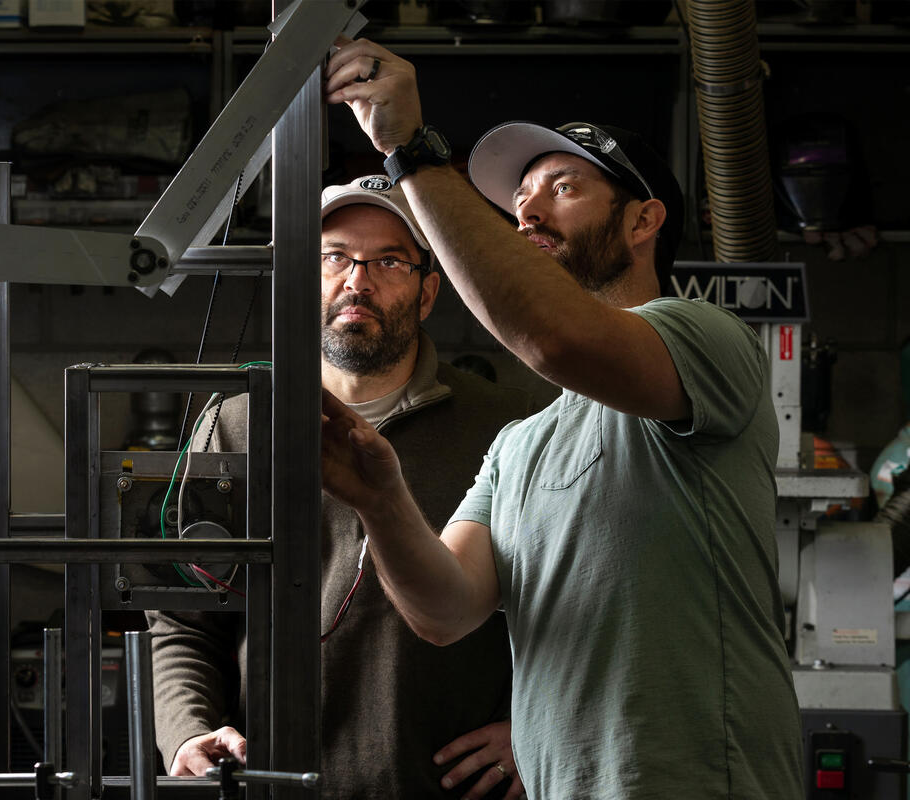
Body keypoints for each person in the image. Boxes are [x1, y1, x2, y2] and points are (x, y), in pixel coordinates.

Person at [317, 40, 804, 800]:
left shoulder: (708, 341)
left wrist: (410, 151)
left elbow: (552, 336)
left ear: (644, 220)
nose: (528, 212)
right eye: (520, 201)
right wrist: (380, 501)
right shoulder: (524, 442)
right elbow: (445, 610)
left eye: (562, 187)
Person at [146, 175, 537, 799]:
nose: (358, 280)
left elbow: (581, 610)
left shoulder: (509, 427)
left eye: (388, 260)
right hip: (274, 783)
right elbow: (184, 615)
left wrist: (535, 730)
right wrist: (189, 732)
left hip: (451, 787)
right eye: (334, 257)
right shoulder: (238, 425)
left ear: (428, 290)